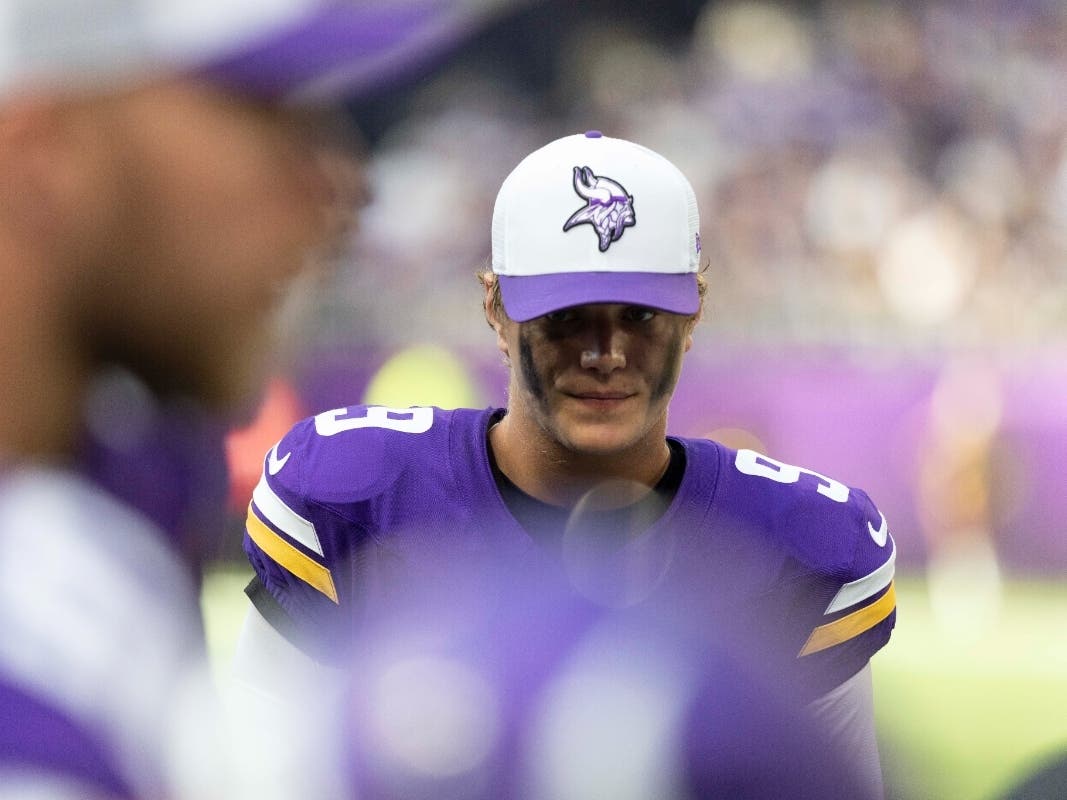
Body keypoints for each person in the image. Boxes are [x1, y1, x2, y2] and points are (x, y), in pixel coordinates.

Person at [236, 131, 899, 797]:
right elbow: (259, 781)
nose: (604, 352)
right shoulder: (351, 494)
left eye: (639, 315)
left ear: (692, 312)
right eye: (566, 317)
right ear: (496, 309)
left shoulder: (801, 542)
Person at [0, 1, 496, 797]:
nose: (338, 186)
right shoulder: (27, 687)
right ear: (40, 154)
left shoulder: (103, 500)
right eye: (268, 110)